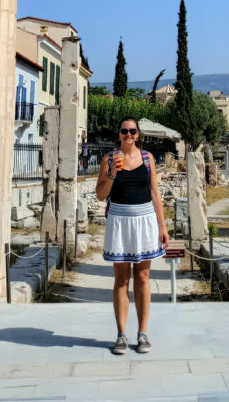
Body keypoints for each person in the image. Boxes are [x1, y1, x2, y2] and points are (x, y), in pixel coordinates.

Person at [96, 116, 169, 355]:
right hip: (119, 219)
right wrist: (112, 174)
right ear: (119, 134)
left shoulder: (148, 159)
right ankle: (121, 334)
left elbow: (155, 194)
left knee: (143, 276)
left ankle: (143, 333)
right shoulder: (108, 159)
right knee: (121, 279)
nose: (128, 134)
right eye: (124, 131)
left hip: (145, 218)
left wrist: (163, 226)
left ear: (138, 134)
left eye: (132, 131)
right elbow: (100, 194)